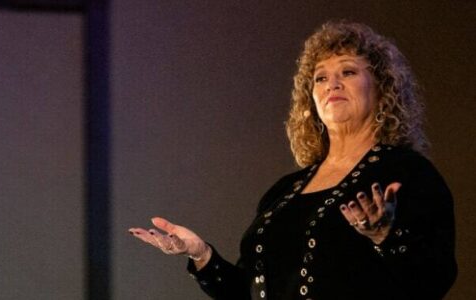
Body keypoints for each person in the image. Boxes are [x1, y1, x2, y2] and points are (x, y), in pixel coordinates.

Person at [128, 21, 457, 300]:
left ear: (382, 88)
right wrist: (201, 254)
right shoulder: (285, 191)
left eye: (348, 71)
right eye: (321, 78)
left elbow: (434, 279)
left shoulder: (406, 172)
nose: (333, 84)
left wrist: (386, 236)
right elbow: (249, 292)